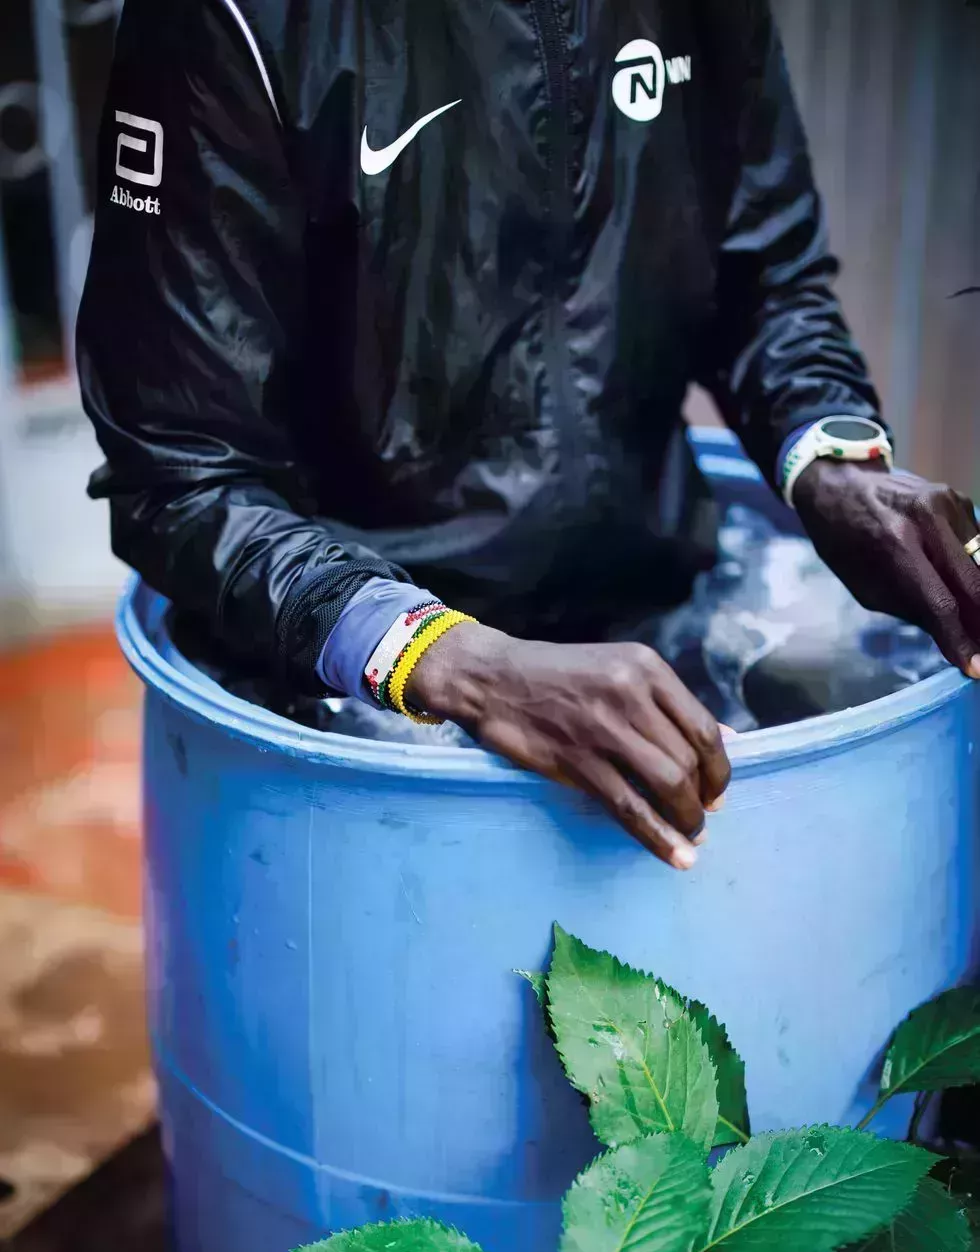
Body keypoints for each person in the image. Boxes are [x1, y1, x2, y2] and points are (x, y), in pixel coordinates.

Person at [78, 0, 980, 872]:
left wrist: (829, 459)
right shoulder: (237, 16)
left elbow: (766, 279)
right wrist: (452, 659)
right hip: (344, 693)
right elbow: (178, 471)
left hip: (654, 607)